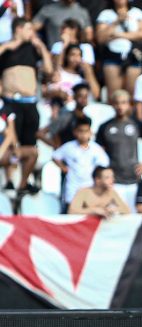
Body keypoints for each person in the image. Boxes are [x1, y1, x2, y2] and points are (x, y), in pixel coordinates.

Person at [0, 18, 52, 195]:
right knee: (10, 142)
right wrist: (8, 47)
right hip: (10, 102)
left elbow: (49, 70)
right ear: (19, 28)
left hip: (29, 103)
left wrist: (42, 48)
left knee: (30, 145)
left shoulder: (32, 49)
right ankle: (8, 181)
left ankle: (23, 183)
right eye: (30, 29)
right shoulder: (5, 47)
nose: (33, 33)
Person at [96, 89, 142, 213]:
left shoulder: (136, 123)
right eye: (117, 103)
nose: (120, 106)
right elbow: (99, 153)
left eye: (123, 103)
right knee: (116, 215)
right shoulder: (105, 127)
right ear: (112, 104)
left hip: (134, 178)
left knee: (134, 215)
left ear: (129, 104)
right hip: (114, 181)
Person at [52, 117, 111, 207]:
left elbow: (104, 164)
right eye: (80, 131)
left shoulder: (96, 149)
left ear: (90, 132)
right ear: (75, 132)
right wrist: (63, 168)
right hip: (73, 187)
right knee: (72, 211)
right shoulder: (68, 147)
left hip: (90, 187)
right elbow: (55, 156)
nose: (83, 134)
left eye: (86, 131)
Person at [95, 0, 142, 96]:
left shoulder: (137, 12)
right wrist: (116, 22)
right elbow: (100, 38)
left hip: (133, 55)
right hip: (112, 56)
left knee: (133, 94)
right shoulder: (105, 14)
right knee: (114, 95)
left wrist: (118, 35)